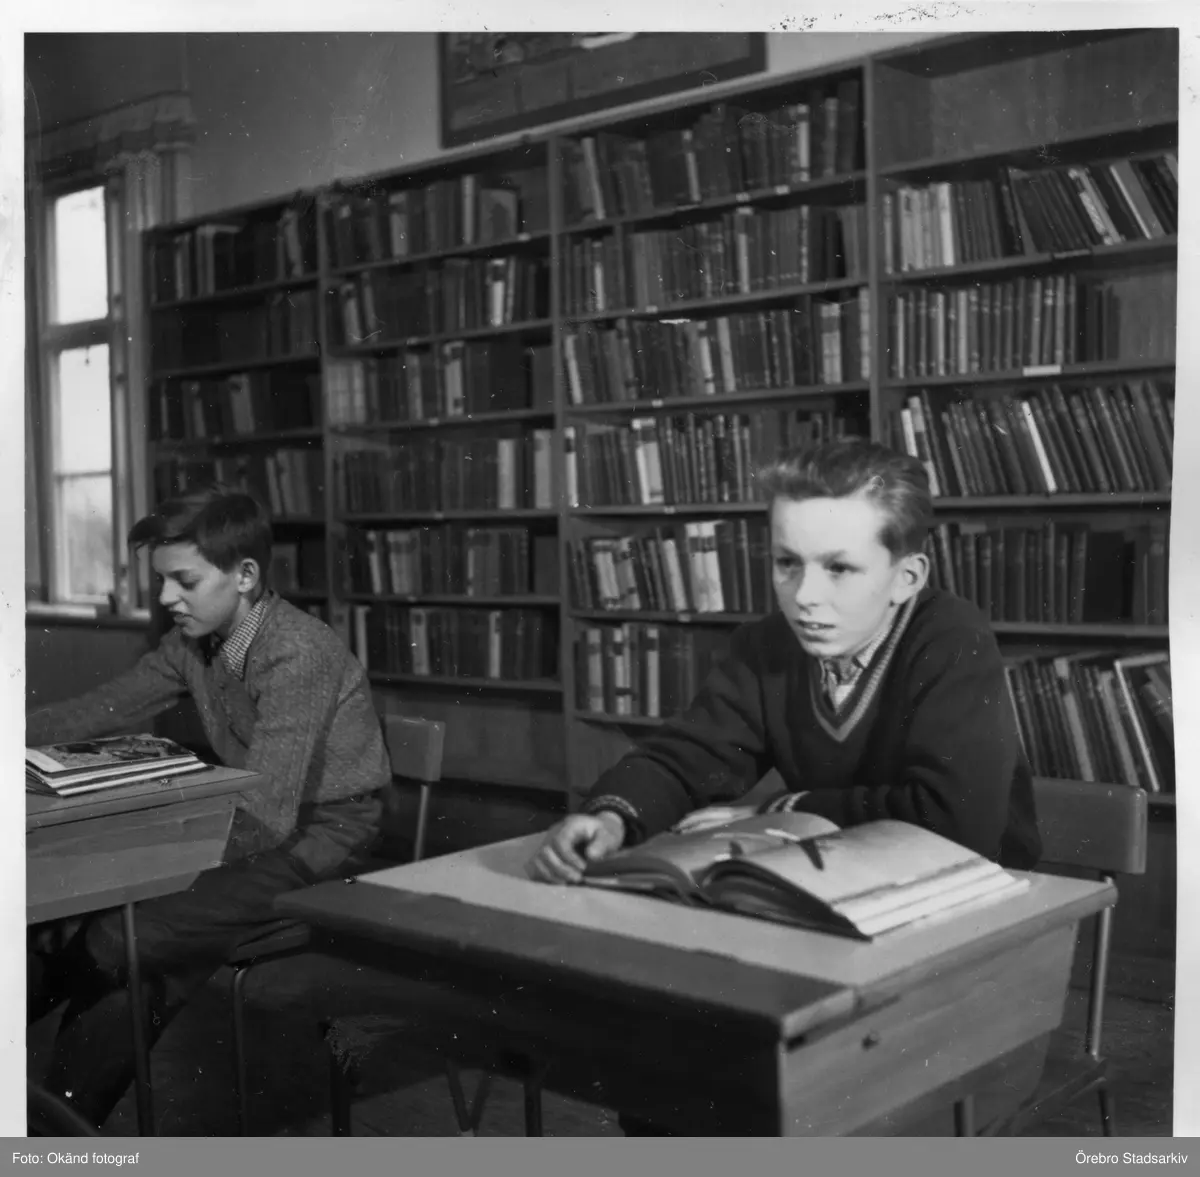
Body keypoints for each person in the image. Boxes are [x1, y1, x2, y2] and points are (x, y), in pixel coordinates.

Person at [527, 437, 1044, 1134]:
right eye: (786, 563)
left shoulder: (951, 639)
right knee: (671, 1081)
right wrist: (614, 816)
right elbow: (687, 755)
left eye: (840, 568)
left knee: (791, 1098)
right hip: (836, 912)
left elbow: (954, 823)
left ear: (906, 576)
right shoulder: (767, 646)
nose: (805, 596)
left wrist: (785, 806)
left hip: (968, 921)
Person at [26, 486, 392, 1128]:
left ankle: (49, 1133)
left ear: (245, 576)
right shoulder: (193, 644)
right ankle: (53, 1133)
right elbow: (102, 708)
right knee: (112, 942)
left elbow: (269, 815)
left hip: (327, 838)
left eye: (185, 581)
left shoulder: (297, 651)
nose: (168, 598)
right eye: (162, 581)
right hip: (254, 826)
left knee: (119, 934)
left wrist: (158, 866)